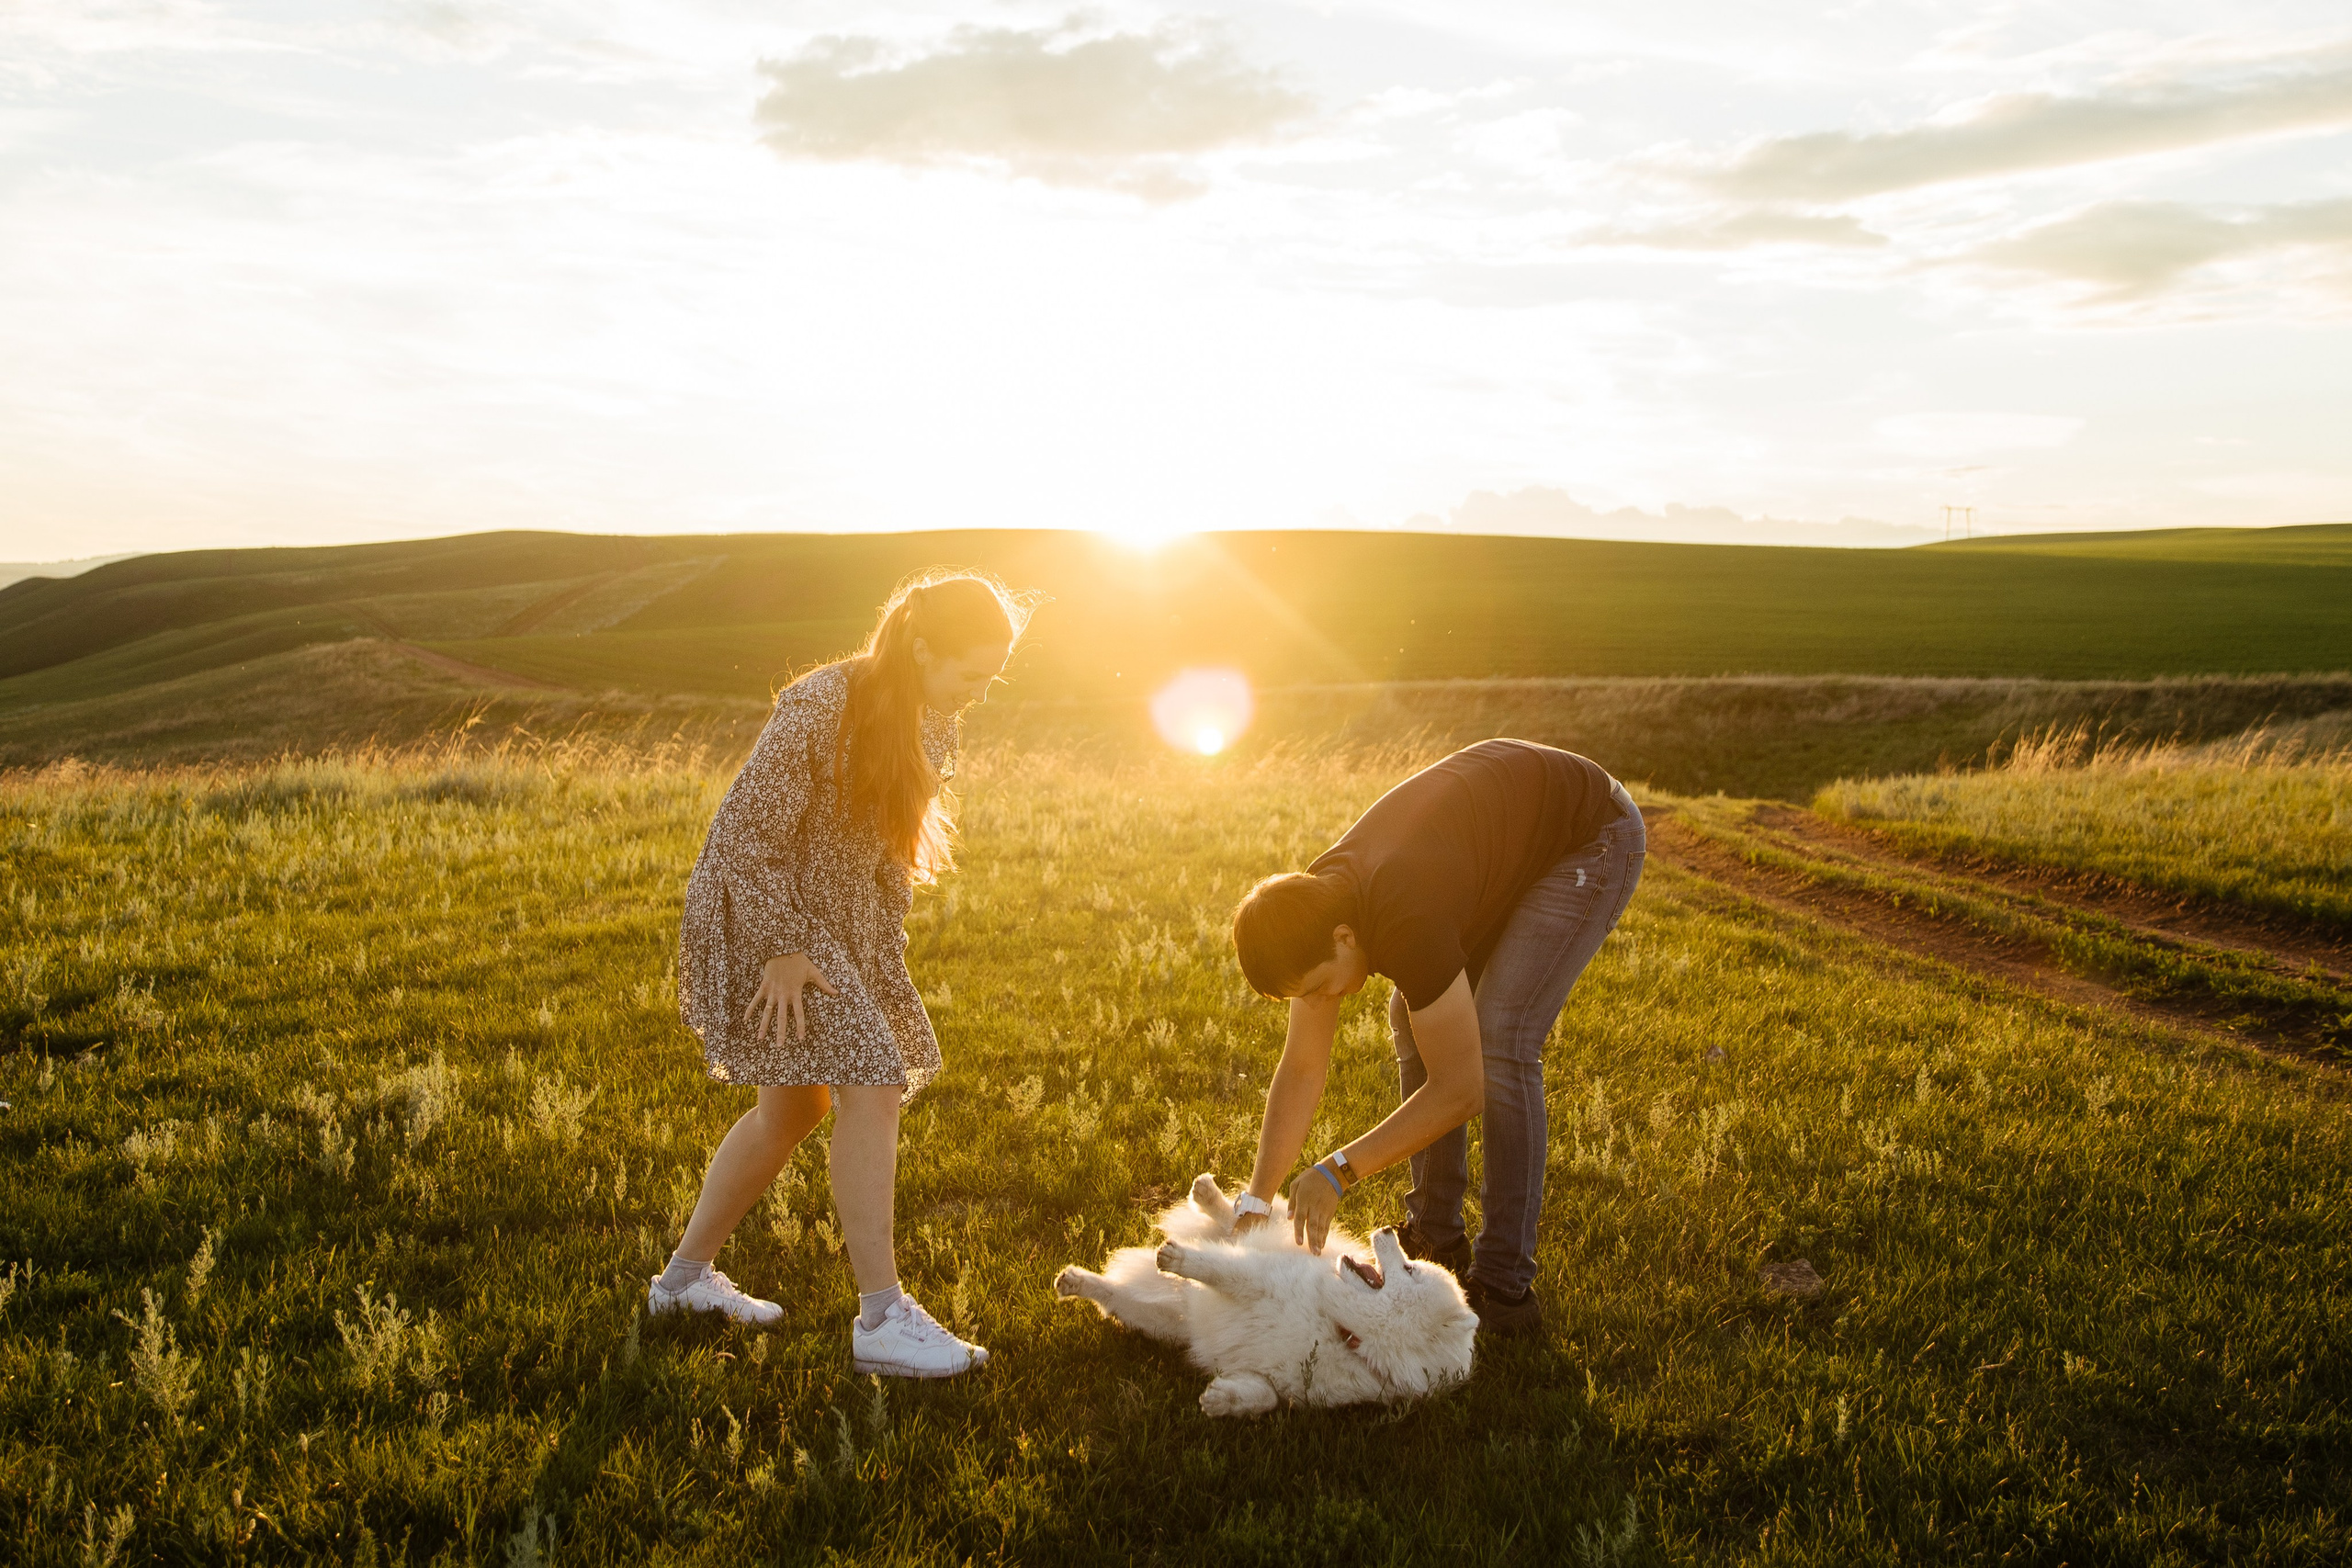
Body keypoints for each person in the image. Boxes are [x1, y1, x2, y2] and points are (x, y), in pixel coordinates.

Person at [651, 571, 1029, 1379]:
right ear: (922, 648)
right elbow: (744, 834)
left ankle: (681, 1283)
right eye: (972, 673)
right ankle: (882, 1318)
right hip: (763, 915)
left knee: (792, 1109)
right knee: (874, 1078)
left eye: (992, 679)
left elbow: (888, 848)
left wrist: (879, 950)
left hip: (838, 924)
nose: (978, 693)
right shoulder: (820, 705)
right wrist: (784, 945)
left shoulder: (934, 720)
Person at [1227, 739, 1645, 1337]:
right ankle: (1435, 1232)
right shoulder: (1314, 912)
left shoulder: (1406, 918)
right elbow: (1301, 1067)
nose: (1318, 1003)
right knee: (1412, 1015)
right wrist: (1257, 1199)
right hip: (1494, 843)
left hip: (1589, 835)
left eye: (1317, 988)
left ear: (1345, 937)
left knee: (1501, 1037)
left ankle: (1503, 1284)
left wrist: (1340, 1169)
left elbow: (1462, 1089)